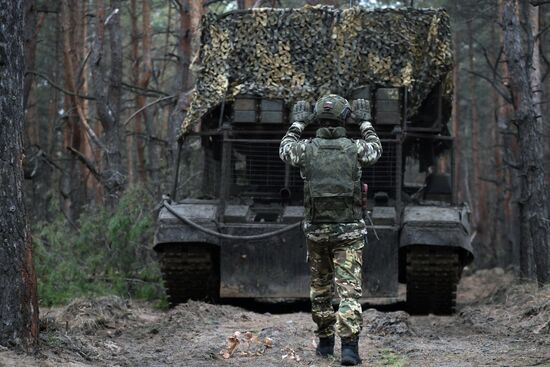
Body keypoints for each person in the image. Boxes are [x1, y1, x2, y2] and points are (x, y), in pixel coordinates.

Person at [279, 94, 382, 366]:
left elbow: (285, 148)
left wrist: (298, 123)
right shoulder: (356, 148)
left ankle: (325, 343)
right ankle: (349, 349)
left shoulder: (305, 149)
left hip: (317, 232)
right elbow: (376, 148)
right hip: (348, 234)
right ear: (344, 119)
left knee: (321, 289)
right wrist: (366, 122)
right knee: (348, 291)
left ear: (318, 119)